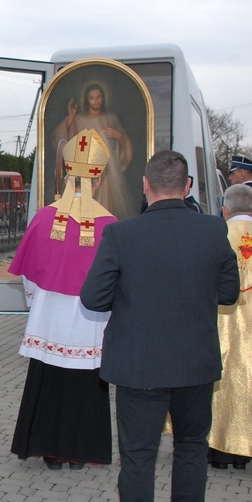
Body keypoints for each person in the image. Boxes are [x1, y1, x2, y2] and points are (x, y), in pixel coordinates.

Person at [80, 150, 240, 501]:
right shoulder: (214, 229)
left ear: (145, 185)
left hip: (140, 367)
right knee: (191, 449)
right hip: (196, 365)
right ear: (187, 186)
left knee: (138, 457)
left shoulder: (122, 234)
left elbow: (92, 298)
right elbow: (229, 293)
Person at [9, 129, 116, 470]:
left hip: (49, 316)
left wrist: (37, 303)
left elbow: (29, 275)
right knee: (85, 386)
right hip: (90, 321)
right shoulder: (111, 225)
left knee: (49, 380)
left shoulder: (43, 217)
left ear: (69, 176)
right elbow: (114, 282)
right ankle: (79, 453)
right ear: (97, 181)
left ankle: (49, 451)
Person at [207, 183, 252, 470]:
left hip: (221, 322)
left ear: (225, 209)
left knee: (222, 379)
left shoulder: (217, 234)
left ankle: (219, 449)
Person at [53, 83, 135, 219]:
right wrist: (70, 119)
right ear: (87, 100)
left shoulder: (111, 119)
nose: (95, 101)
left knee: (106, 207)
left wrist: (118, 135)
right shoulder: (79, 119)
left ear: (103, 98)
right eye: (91, 98)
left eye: (98, 97)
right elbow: (63, 142)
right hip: (84, 172)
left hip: (108, 174)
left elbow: (124, 144)